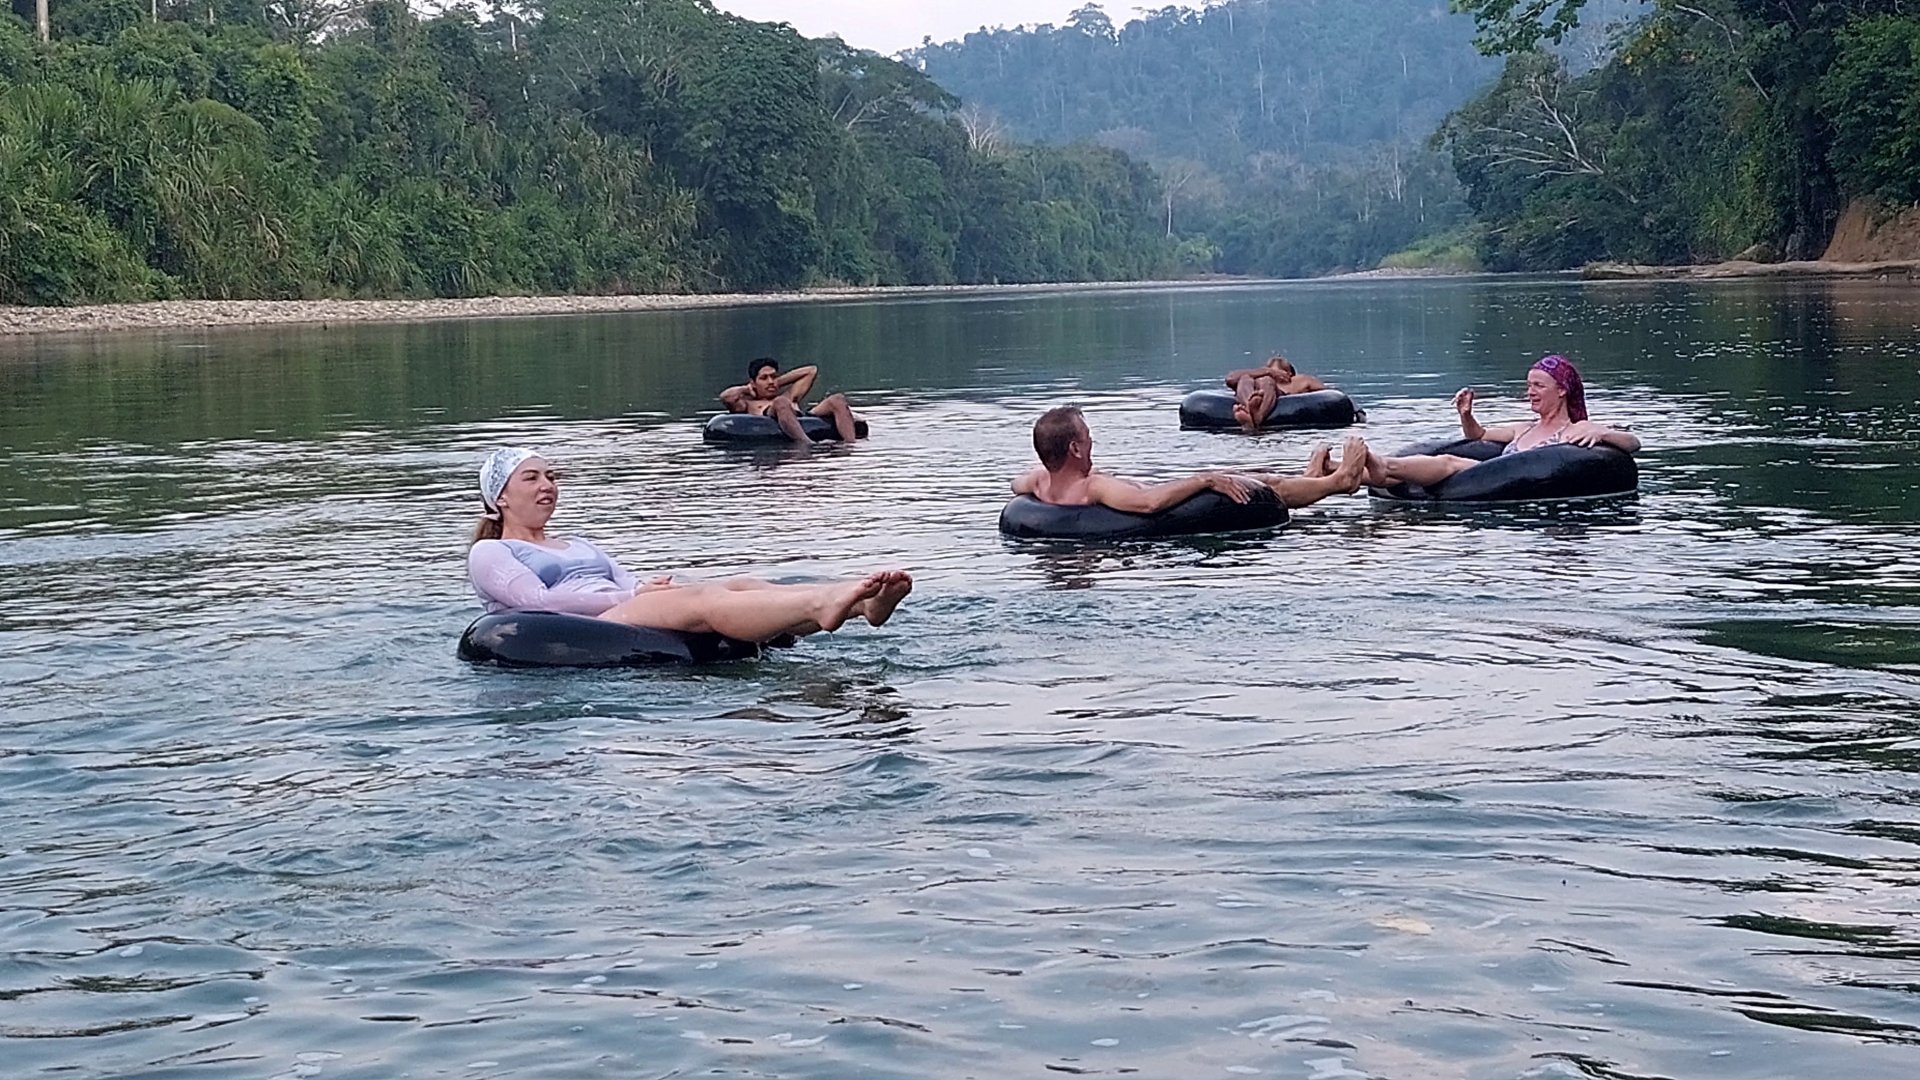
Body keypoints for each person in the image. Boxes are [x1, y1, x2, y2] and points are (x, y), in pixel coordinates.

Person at [467, 447, 911, 642]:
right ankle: (822, 605)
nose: (547, 485)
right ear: (500, 497)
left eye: (551, 476)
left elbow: (630, 581)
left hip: (622, 606)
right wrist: (635, 595)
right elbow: (537, 602)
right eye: (532, 478)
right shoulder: (491, 552)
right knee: (703, 600)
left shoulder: (580, 543)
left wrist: (649, 588)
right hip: (593, 622)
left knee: (739, 583)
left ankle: (857, 606)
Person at [1012, 406, 1369, 512]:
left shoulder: (1041, 482)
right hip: (1163, 507)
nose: (1093, 442)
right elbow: (1150, 504)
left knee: (1252, 472)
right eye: (1087, 438)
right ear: (1074, 449)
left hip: (1143, 494)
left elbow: (1015, 484)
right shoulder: (1094, 487)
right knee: (1263, 485)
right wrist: (1205, 479)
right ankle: (1339, 482)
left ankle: (1310, 477)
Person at [1361, 354, 1642, 489]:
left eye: (1538, 386)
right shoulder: (1523, 428)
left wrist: (1604, 433)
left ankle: (1377, 463)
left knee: (1448, 462)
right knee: (1446, 463)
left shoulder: (1576, 429)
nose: (1530, 392)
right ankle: (1345, 472)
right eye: (1528, 385)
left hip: (1514, 482)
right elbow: (1477, 435)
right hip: (1485, 477)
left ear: (1561, 391)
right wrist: (1466, 414)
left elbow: (1632, 443)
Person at [719, 357, 860, 443]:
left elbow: (811, 371)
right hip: (771, 418)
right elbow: (726, 397)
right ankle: (806, 443)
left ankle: (850, 444)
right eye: (764, 378)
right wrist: (746, 389)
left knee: (837, 399)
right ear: (753, 382)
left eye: (773, 376)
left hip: (802, 416)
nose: (770, 381)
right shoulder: (748, 404)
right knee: (781, 402)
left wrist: (777, 382)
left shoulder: (789, 395)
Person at [1222, 355, 1329, 431]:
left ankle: (1257, 416)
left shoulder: (1299, 381)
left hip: (1274, 394)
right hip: (1252, 394)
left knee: (1267, 381)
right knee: (1245, 378)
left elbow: (1329, 396)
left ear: (1289, 373)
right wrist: (1268, 372)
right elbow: (1230, 378)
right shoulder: (1255, 376)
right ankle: (1250, 409)